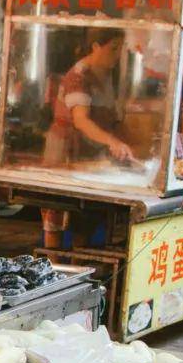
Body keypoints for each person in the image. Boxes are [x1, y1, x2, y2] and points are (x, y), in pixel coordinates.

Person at [41, 29, 134, 248]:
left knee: (85, 217)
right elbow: (81, 121)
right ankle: (54, 268)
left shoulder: (107, 76)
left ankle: (78, 267)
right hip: (64, 150)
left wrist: (125, 141)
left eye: (121, 49)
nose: (118, 54)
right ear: (95, 47)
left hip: (90, 151)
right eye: (113, 48)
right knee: (57, 215)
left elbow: (111, 118)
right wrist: (113, 142)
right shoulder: (78, 75)